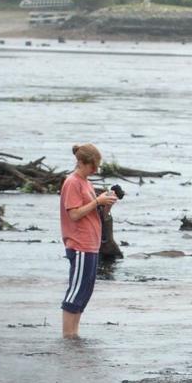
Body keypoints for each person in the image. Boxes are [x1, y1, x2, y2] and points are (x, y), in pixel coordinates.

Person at [59, 143, 118, 339]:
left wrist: (105, 205)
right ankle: (68, 335)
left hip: (92, 244)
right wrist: (97, 202)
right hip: (79, 244)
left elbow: (92, 212)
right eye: (93, 166)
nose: (95, 170)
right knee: (76, 290)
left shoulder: (86, 182)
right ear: (82, 163)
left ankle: (74, 334)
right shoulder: (72, 182)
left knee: (85, 290)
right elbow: (74, 214)